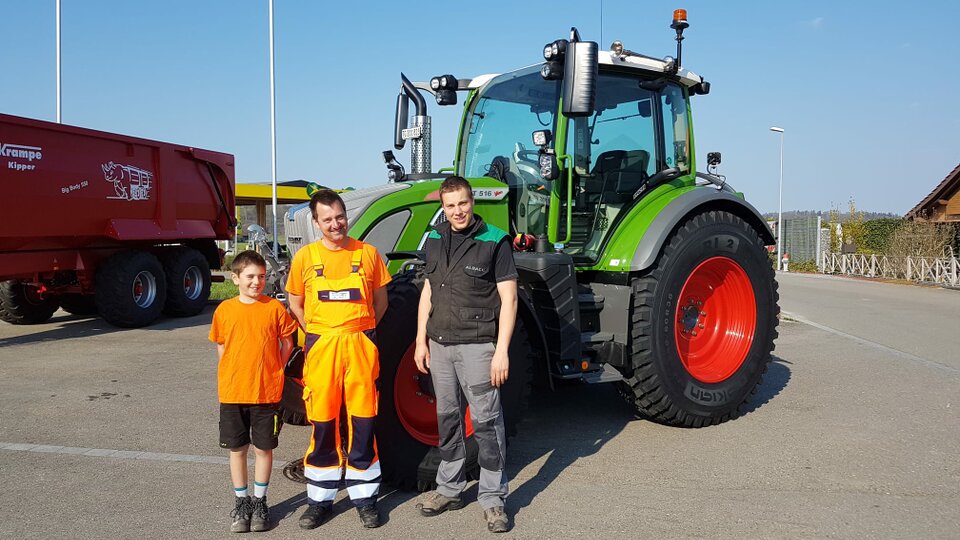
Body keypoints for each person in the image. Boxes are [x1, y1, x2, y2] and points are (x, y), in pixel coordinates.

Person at [414, 176, 518, 534]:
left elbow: (509, 299)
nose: (457, 211)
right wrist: (419, 340)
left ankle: (492, 498)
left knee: (487, 424)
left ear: (472, 202)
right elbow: (427, 291)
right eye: (450, 205)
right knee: (448, 420)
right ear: (442, 207)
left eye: (463, 203)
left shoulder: (494, 241)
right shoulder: (435, 238)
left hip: (478, 347)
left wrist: (501, 351)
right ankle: (450, 488)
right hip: (439, 344)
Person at [285, 189, 391, 529]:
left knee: (363, 422)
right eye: (327, 219)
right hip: (322, 347)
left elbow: (381, 302)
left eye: (340, 216)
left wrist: (357, 331)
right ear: (316, 223)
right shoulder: (305, 258)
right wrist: (319, 331)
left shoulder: (368, 254)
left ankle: (364, 498)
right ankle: (320, 500)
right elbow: (295, 303)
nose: (336, 224)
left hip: (359, 345)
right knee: (323, 422)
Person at [208, 250, 299, 533]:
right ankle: (241, 501)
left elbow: (287, 344)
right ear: (235, 279)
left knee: (263, 448)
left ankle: (260, 501)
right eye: (250, 277)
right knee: (237, 449)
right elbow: (222, 346)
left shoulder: (273, 309)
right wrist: (232, 373)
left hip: (266, 394)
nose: (256, 282)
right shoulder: (224, 310)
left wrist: (276, 369)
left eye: (261, 277)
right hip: (233, 393)